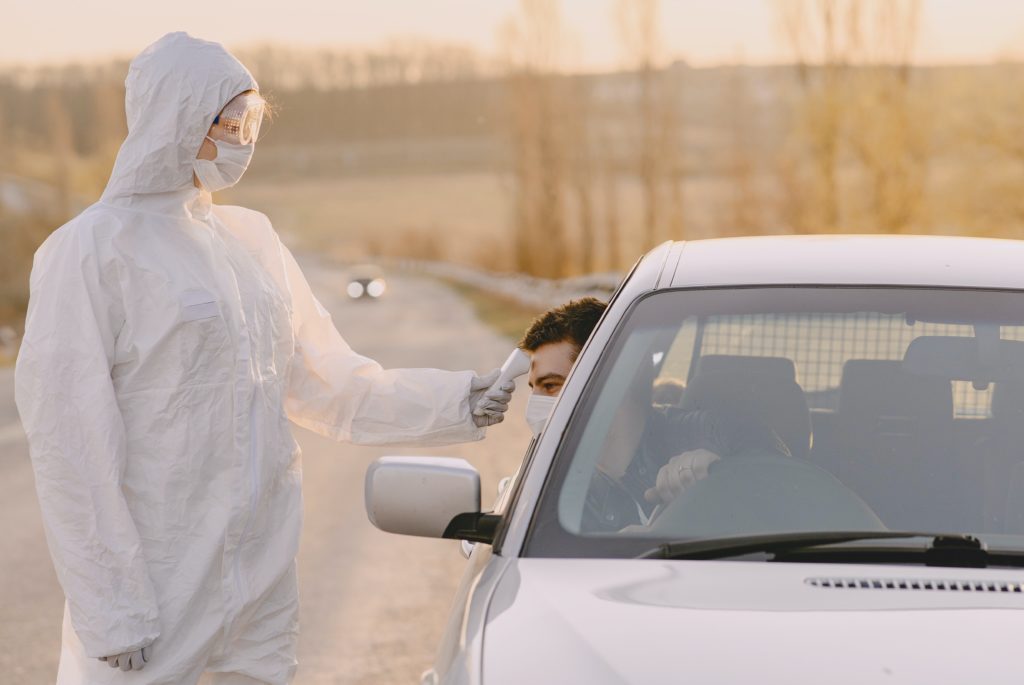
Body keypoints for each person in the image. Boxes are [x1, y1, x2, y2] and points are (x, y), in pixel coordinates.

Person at [15, 33, 512, 685]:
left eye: (253, 121)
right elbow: (71, 448)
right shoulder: (89, 253)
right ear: (178, 117)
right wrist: (112, 610)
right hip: (159, 591)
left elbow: (329, 382)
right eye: (233, 121)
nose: (245, 140)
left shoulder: (250, 241)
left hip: (262, 585)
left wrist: (461, 398)